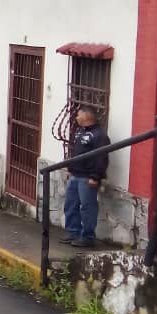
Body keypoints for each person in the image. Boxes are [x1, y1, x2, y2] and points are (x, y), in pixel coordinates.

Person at [59, 104, 110, 248]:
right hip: (75, 175)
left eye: (79, 114)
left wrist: (95, 176)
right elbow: (76, 152)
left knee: (87, 207)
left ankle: (87, 236)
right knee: (71, 205)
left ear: (86, 116)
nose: (76, 117)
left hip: (87, 178)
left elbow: (101, 158)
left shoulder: (99, 135)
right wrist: (70, 168)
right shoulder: (80, 132)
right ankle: (73, 232)